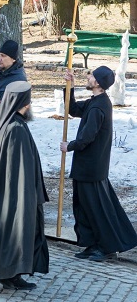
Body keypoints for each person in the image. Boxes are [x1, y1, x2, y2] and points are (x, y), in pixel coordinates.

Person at [0, 81, 49, 290]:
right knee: (16, 233)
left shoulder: (5, 123)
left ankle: (10, 274)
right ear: (22, 103)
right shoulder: (15, 129)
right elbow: (20, 169)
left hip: (6, 193)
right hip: (17, 195)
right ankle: (10, 273)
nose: (30, 105)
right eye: (29, 101)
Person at [61, 66, 137, 261]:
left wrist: (69, 146)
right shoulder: (98, 101)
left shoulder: (98, 107)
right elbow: (74, 109)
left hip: (91, 168)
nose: (88, 77)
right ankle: (94, 244)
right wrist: (70, 87)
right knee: (86, 208)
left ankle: (107, 247)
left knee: (96, 210)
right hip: (89, 167)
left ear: (99, 83)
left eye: (92, 76)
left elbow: (87, 137)